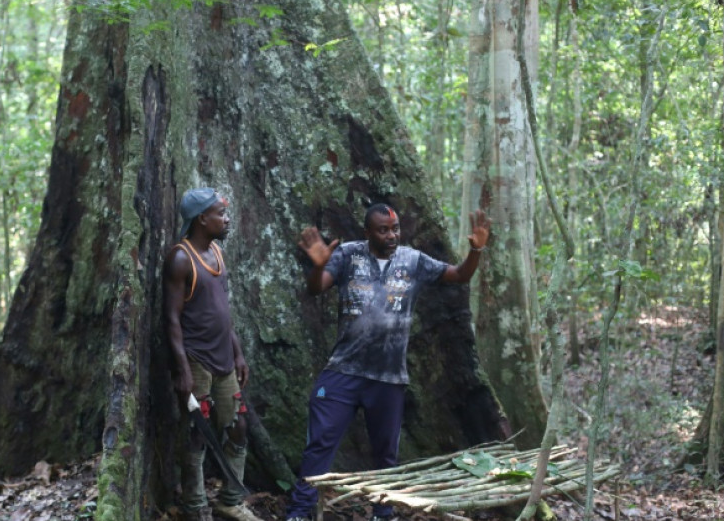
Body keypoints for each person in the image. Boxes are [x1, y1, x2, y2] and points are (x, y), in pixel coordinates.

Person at [285, 203, 492, 521]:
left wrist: (476, 249)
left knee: (385, 453)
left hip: (388, 377)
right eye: (383, 229)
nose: (391, 235)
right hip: (344, 370)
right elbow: (316, 288)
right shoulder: (349, 255)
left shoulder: (413, 260)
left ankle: (383, 513)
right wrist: (317, 266)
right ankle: (300, 511)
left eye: (395, 229)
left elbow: (459, 275)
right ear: (367, 232)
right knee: (320, 445)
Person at [163, 187, 261, 521]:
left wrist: (238, 355)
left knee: (238, 426)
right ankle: (195, 507)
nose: (227, 218)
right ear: (202, 219)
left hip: (224, 360)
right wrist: (182, 370)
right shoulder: (180, 258)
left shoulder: (217, 252)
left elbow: (222, 310)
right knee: (197, 432)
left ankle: (231, 500)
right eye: (221, 213)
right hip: (197, 362)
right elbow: (171, 319)